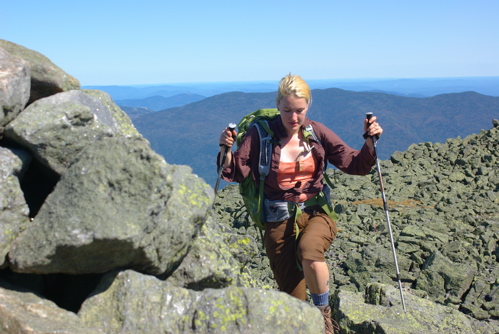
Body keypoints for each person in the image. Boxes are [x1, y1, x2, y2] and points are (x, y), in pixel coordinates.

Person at [217, 74, 383, 334]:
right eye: (287, 111)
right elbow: (238, 170)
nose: (294, 118)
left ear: (308, 106)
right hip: (278, 220)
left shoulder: (316, 132)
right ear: (278, 106)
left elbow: (354, 163)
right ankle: (307, 321)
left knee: (309, 251)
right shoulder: (260, 134)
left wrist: (369, 143)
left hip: (316, 212)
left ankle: (324, 317)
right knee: (293, 300)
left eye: (300, 111)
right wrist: (226, 151)